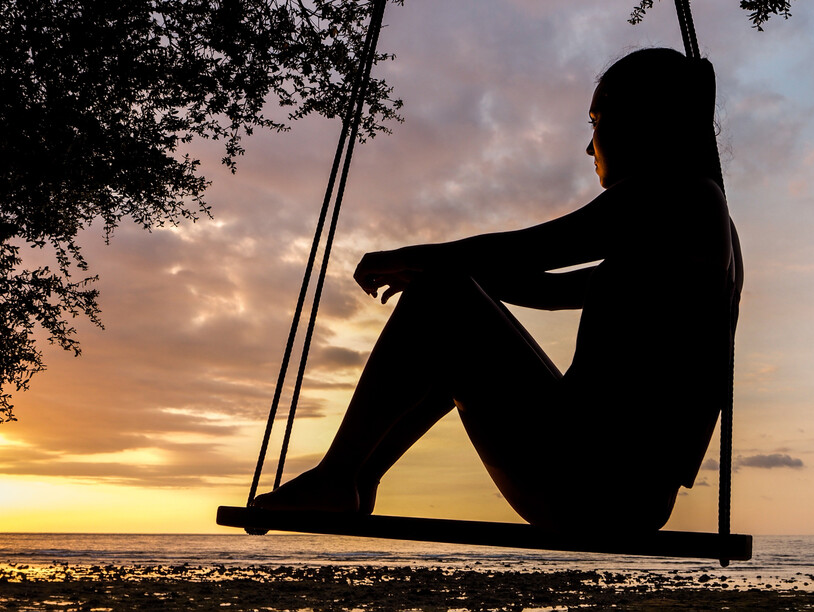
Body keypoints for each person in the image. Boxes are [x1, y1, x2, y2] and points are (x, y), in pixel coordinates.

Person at [253, 48, 742, 533]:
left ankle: (340, 476)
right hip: (623, 493)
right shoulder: (697, 222)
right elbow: (549, 289)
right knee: (449, 301)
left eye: (596, 120)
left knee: (443, 295)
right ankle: (356, 480)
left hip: (592, 483)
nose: (589, 148)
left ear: (641, 118)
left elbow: (537, 248)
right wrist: (443, 274)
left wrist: (416, 261)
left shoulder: (677, 196)